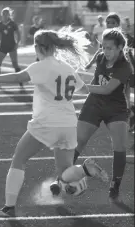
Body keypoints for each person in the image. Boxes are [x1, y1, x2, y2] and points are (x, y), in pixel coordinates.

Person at [0, 28, 108, 217]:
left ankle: (9, 208)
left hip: (46, 124)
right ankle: (84, 169)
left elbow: (18, 77)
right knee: (64, 172)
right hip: (68, 124)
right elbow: (84, 90)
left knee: (19, 159)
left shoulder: (40, 66)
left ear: (37, 47)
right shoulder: (67, 68)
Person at [50, 28, 134, 200]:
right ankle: (60, 179)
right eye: (103, 47)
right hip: (94, 103)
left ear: (120, 48)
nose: (105, 51)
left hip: (116, 107)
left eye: (110, 48)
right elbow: (97, 82)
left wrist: (80, 87)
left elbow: (107, 88)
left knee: (120, 147)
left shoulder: (125, 66)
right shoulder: (101, 57)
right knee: (77, 142)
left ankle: (115, 183)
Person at [0, 7, 21, 86]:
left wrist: (17, 44)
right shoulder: (0, 24)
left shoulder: (12, 23)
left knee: (15, 64)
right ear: (2, 15)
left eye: (7, 14)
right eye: (4, 14)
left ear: (9, 14)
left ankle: (20, 80)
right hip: (3, 46)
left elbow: (18, 34)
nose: (5, 15)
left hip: (12, 46)